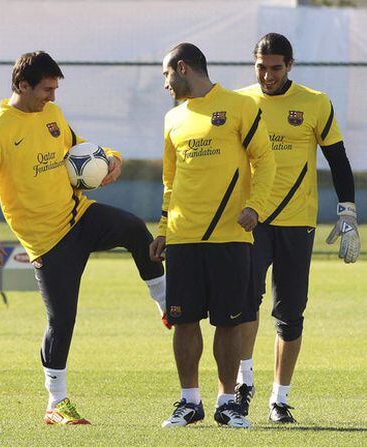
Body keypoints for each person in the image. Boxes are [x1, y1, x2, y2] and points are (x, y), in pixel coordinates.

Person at [0, 51, 167, 425]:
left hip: (80, 215)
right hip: (47, 242)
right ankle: (56, 403)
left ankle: (164, 300)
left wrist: (110, 157)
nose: (53, 97)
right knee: (62, 321)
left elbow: (81, 147)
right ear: (22, 86)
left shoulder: (52, 116)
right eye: (47, 89)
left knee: (133, 228)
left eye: (55, 88)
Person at [235, 33, 360, 423]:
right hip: (251, 222)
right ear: (253, 64)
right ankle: (243, 387)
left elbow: (337, 159)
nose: (267, 75)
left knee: (290, 314)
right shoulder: (240, 103)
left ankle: (279, 398)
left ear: (290, 65)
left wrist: (348, 212)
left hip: (297, 223)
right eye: (261, 67)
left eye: (275, 67)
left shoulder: (315, 102)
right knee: (243, 307)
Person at [150, 43, 275, 429]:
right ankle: (189, 402)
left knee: (229, 322)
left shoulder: (239, 106)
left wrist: (256, 206)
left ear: (183, 67)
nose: (166, 85)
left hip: (230, 236)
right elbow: (170, 182)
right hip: (183, 238)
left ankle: (227, 403)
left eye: (167, 75)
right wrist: (162, 230)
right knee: (184, 322)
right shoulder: (173, 119)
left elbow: (265, 160)